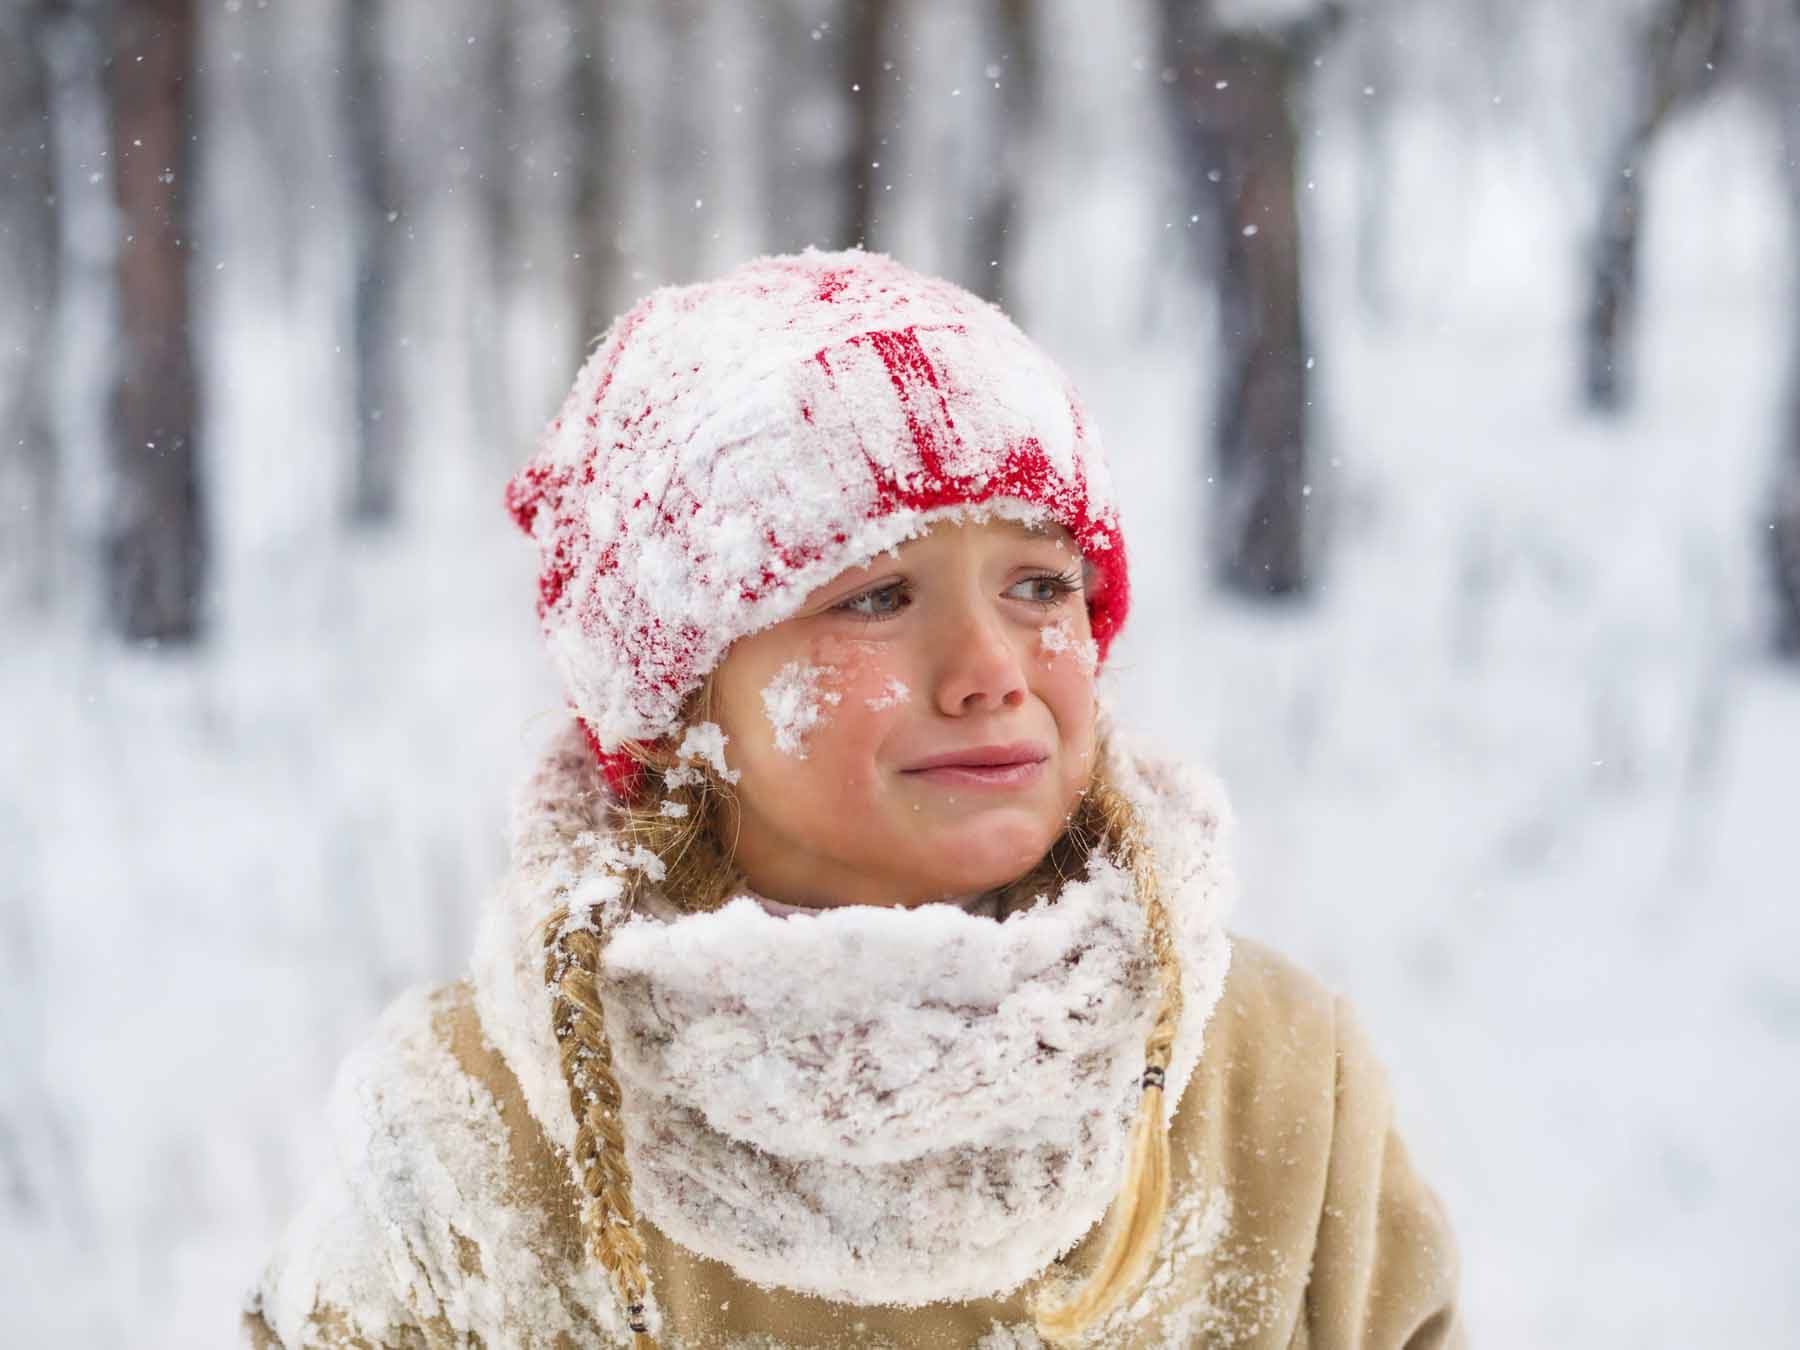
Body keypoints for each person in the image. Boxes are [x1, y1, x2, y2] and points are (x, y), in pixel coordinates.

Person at [243, 249, 1463, 1349]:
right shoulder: (486, 1129)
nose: (991, 670)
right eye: (876, 598)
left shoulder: (1273, 1086)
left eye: (1040, 586)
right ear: (680, 706)